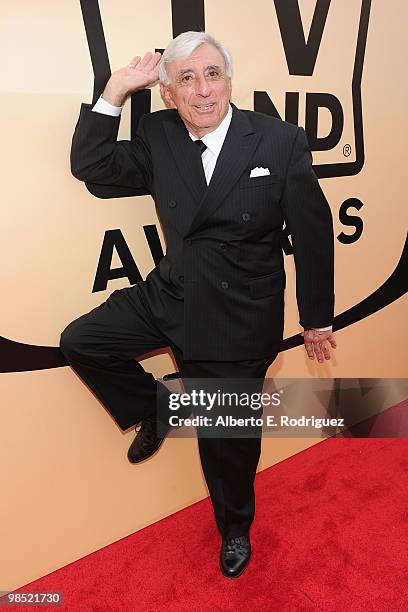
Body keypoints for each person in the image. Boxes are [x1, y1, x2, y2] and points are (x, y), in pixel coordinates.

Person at [60, 31, 336, 578]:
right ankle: (156, 407)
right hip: (174, 294)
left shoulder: (278, 141)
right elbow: (90, 164)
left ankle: (235, 527)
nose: (202, 90)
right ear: (167, 93)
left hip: (240, 319)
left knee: (226, 447)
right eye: (186, 78)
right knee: (82, 341)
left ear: (230, 82)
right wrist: (115, 90)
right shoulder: (159, 133)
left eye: (212, 74)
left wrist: (316, 318)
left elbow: (312, 232)